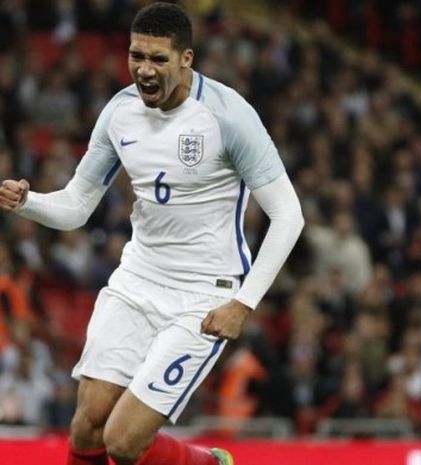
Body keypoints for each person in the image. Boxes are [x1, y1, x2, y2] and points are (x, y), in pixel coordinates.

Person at [0, 3, 304, 465]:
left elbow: (288, 216)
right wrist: (29, 202)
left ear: (186, 59)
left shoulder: (228, 115)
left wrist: (244, 303)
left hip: (202, 297)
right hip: (136, 283)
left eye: (158, 59)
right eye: (135, 55)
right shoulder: (119, 113)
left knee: (123, 444)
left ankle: (209, 463)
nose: (143, 70)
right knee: (85, 432)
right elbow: (78, 206)